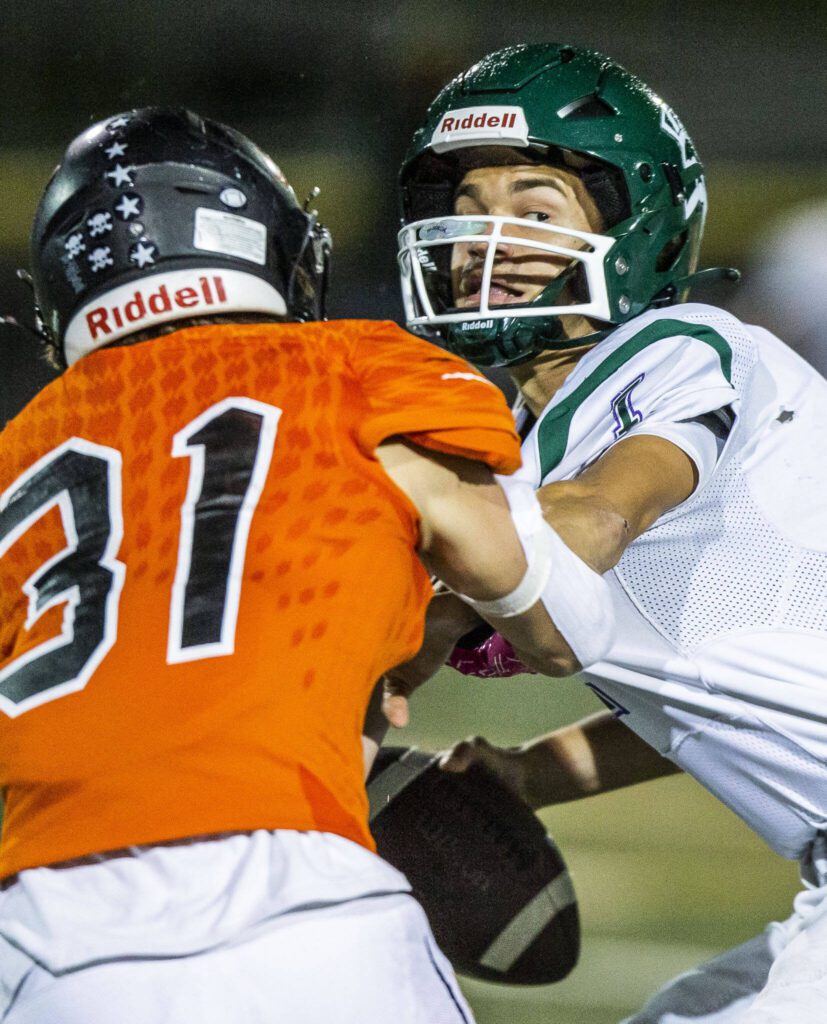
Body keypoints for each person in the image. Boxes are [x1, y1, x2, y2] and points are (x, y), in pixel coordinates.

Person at [0, 107, 614, 1024]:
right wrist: (425, 627)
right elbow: (561, 622)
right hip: (295, 907)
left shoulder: (15, 455)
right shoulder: (361, 369)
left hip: (41, 940)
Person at [389, 43, 827, 1023]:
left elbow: (592, 520)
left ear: (636, 229)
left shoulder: (670, 349)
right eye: (466, 208)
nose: (481, 237)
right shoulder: (540, 438)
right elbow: (724, 690)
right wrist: (535, 771)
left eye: (534, 209)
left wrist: (421, 609)